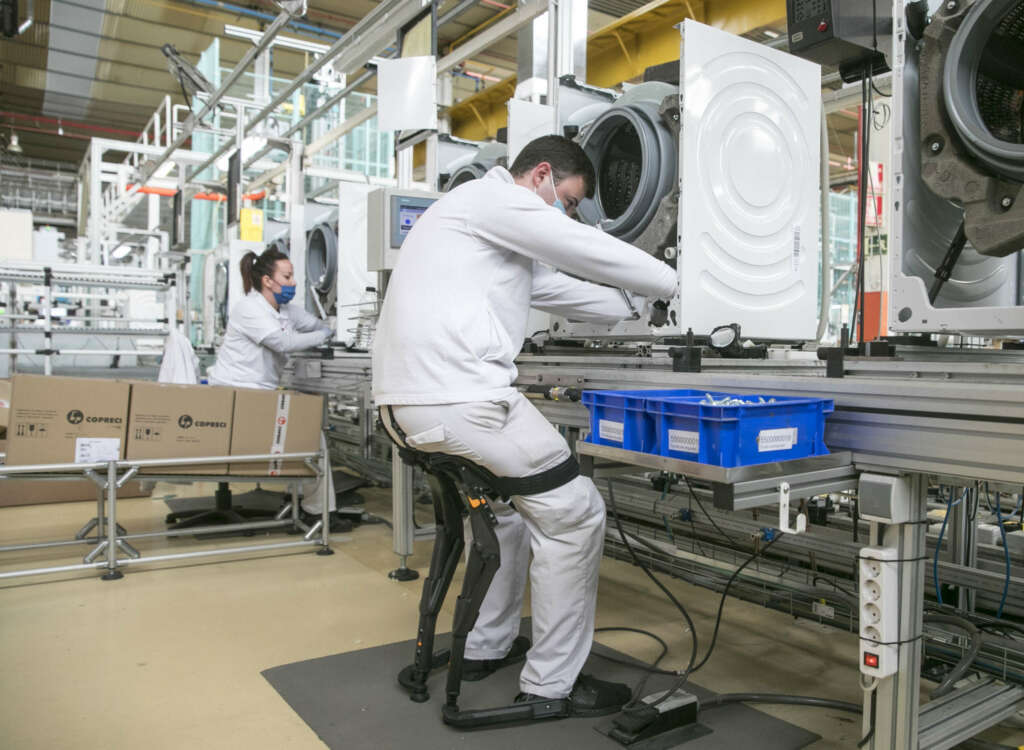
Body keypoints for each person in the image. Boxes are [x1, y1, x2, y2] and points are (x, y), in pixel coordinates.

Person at [373, 135, 678, 716]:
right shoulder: (493, 200)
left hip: (410, 408)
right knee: (576, 513)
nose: (565, 212)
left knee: (507, 514)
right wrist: (675, 283)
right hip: (460, 401)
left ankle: (487, 645)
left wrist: (642, 310)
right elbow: (579, 248)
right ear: (540, 175)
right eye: (566, 199)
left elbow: (557, 288)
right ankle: (551, 686)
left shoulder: (469, 222)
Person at [208, 248, 340, 527]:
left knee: (305, 433)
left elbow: (313, 324)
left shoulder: (285, 310)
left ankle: (304, 502)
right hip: (237, 395)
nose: (293, 282)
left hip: (258, 393)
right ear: (268, 280)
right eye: (287, 276)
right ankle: (318, 514)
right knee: (311, 438)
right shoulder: (249, 308)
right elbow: (283, 343)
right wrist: (324, 334)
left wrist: (327, 328)